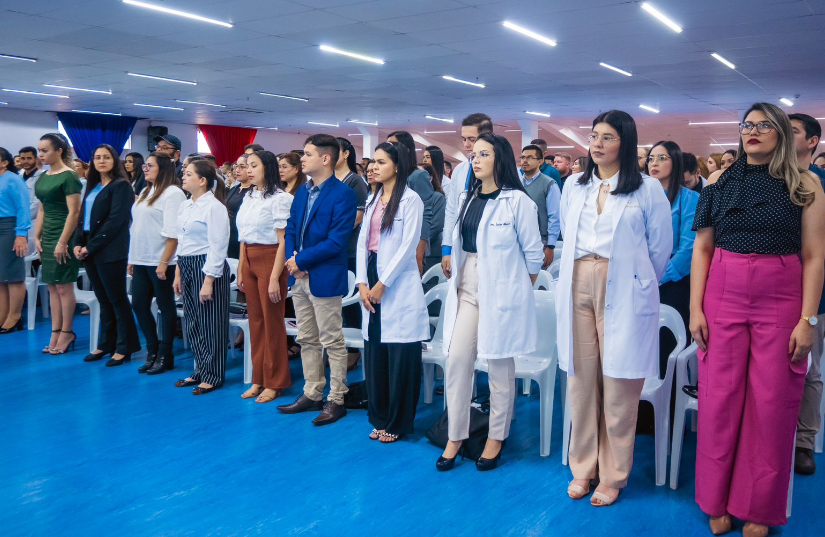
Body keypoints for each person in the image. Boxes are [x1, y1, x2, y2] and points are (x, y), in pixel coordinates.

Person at [690, 103, 825, 537]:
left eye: (764, 126)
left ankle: (759, 508)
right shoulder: (718, 182)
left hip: (781, 293)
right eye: (747, 125)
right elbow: (702, 250)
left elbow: (815, 256)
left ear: (782, 133)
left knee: (771, 404)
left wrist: (809, 319)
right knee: (719, 399)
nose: (753, 132)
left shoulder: (806, 184)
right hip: (724, 289)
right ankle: (715, 499)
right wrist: (695, 308)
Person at [558, 110, 672, 506]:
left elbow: (660, 248)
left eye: (608, 137)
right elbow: (564, 231)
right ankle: (583, 467)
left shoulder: (646, 189)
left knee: (620, 385)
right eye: (593, 136)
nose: (598, 143)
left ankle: (613, 475)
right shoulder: (575, 185)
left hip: (623, 282)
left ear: (624, 142)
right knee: (582, 379)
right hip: (577, 278)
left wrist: (637, 280)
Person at [437, 132, 542, 472]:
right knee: (457, 360)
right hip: (468, 284)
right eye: (473, 154)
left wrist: (516, 291)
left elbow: (534, 256)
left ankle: (497, 435)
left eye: (483, 154)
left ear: (500, 160)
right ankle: (456, 433)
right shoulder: (468, 197)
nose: (475, 159)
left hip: (503, 292)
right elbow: (459, 242)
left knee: (499, 366)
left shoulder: (518, 202)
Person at [276, 134, 357, 425]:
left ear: (325, 158)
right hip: (300, 276)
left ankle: (337, 398)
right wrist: (292, 261)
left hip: (323, 275)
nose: (302, 159)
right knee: (307, 338)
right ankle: (312, 393)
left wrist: (301, 260)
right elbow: (291, 228)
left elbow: (337, 241)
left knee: (332, 340)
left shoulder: (343, 194)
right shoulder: (301, 192)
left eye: (307, 154)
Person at [357, 141, 428, 443]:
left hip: (395, 281)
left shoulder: (411, 200)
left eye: (381, 162)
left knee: (400, 354)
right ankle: (380, 415)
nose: (373, 166)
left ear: (397, 166)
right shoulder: (373, 199)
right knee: (376, 351)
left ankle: (397, 422)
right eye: (373, 161)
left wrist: (382, 284)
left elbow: (408, 246)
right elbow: (362, 243)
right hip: (371, 274)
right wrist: (362, 282)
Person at [74, 144, 140, 366]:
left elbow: (115, 221)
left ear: (115, 160)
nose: (101, 161)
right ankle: (106, 344)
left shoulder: (121, 186)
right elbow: (82, 218)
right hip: (90, 249)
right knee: (103, 300)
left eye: (106, 157)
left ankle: (125, 347)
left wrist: (90, 246)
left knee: (117, 299)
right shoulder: (93, 186)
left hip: (110, 250)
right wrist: (77, 243)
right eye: (97, 157)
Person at [236, 150, 293, 403]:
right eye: (246, 165)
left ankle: (275, 381)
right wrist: (240, 267)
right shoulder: (248, 196)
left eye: (254, 165)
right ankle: (258, 378)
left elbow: (284, 242)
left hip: (270, 258)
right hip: (248, 256)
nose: (248, 170)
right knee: (256, 322)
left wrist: (274, 277)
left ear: (267, 168)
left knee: (272, 323)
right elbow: (243, 236)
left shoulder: (280, 199)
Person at [173, 160, 231, 395]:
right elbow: (181, 241)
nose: (183, 177)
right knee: (193, 321)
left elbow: (218, 246)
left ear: (202, 180)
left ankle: (213, 374)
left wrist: (209, 280)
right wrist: (178, 272)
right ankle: (200, 369)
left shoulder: (214, 207)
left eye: (188, 174)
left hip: (207, 265)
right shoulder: (186, 206)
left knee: (211, 323)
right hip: (187, 263)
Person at [788, 112, 825, 475]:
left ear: (812, 141)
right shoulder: (768, 181)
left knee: (808, 367)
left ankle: (804, 441)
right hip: (773, 292)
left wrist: (811, 312)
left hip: (815, 295)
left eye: (793, 130)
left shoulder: (820, 183)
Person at [129, 152, 187, 375]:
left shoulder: (173, 194)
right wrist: (132, 258)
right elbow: (137, 227)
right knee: (139, 305)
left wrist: (164, 262)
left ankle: (166, 353)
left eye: (150, 165)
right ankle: (152, 350)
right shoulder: (146, 190)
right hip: (141, 258)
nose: (145, 168)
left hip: (162, 259)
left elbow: (173, 233)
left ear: (162, 168)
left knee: (165, 306)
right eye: (145, 165)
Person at [646, 141, 699, 374]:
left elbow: (689, 249)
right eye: (650, 158)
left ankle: (669, 405)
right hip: (641, 281)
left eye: (661, 158)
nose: (654, 163)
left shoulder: (690, 199)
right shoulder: (639, 196)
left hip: (673, 282)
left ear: (675, 162)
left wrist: (657, 275)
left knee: (667, 350)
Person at [34, 133, 82, 355]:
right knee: (52, 286)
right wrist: (37, 236)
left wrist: (63, 241)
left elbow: (74, 213)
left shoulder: (69, 176)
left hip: (64, 235)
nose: (40, 155)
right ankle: (55, 331)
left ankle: (67, 332)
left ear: (59, 151)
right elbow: (43, 208)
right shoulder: (43, 177)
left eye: (45, 151)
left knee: (64, 286)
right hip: (48, 236)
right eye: (40, 151)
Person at [442, 113, 494, 278]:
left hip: (492, 249)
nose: (466, 145)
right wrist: (447, 248)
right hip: (463, 247)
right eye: (464, 139)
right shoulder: (460, 170)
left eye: (472, 139)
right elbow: (452, 211)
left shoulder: (507, 172)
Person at [336, 137, 369, 371]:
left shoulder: (355, 181)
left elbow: (357, 219)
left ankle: (354, 350)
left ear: (346, 153)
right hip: (331, 252)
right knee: (335, 302)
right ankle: (337, 346)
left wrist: (331, 232)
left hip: (347, 248)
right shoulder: (328, 180)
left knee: (350, 303)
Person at [387, 131, 436, 274]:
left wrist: (419, 251)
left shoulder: (418, 176)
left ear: (406, 150)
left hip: (411, 244)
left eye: (392, 145)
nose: (388, 148)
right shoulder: (391, 177)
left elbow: (426, 215)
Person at [0, 148, 30, 333]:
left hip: (9, 228)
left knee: (13, 275)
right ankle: (2, 315)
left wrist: (21, 234)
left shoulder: (13, 179)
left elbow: (23, 207)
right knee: (0, 277)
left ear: (4, 162)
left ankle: (15, 316)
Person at [520, 144, 560, 269]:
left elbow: (555, 216)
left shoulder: (549, 184)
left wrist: (550, 246)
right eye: (523, 157)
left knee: (536, 279)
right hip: (519, 239)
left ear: (540, 161)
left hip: (540, 241)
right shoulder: (517, 184)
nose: (525, 161)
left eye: (530, 157)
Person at [418, 163, 446, 275]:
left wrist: (419, 244)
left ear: (430, 178)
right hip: (413, 251)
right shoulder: (411, 197)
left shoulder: (437, 197)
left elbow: (436, 226)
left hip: (431, 252)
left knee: (428, 285)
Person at [224, 154, 253, 259]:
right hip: (230, 237)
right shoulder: (235, 188)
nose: (237, 170)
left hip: (242, 238)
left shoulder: (254, 191)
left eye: (242, 167)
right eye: (236, 166)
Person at [19, 146, 43, 254]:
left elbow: (37, 203)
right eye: (22, 158)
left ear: (35, 159)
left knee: (29, 257)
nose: (25, 161)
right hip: (18, 222)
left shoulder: (42, 176)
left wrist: (21, 217)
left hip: (32, 222)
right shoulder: (18, 176)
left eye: (29, 158)